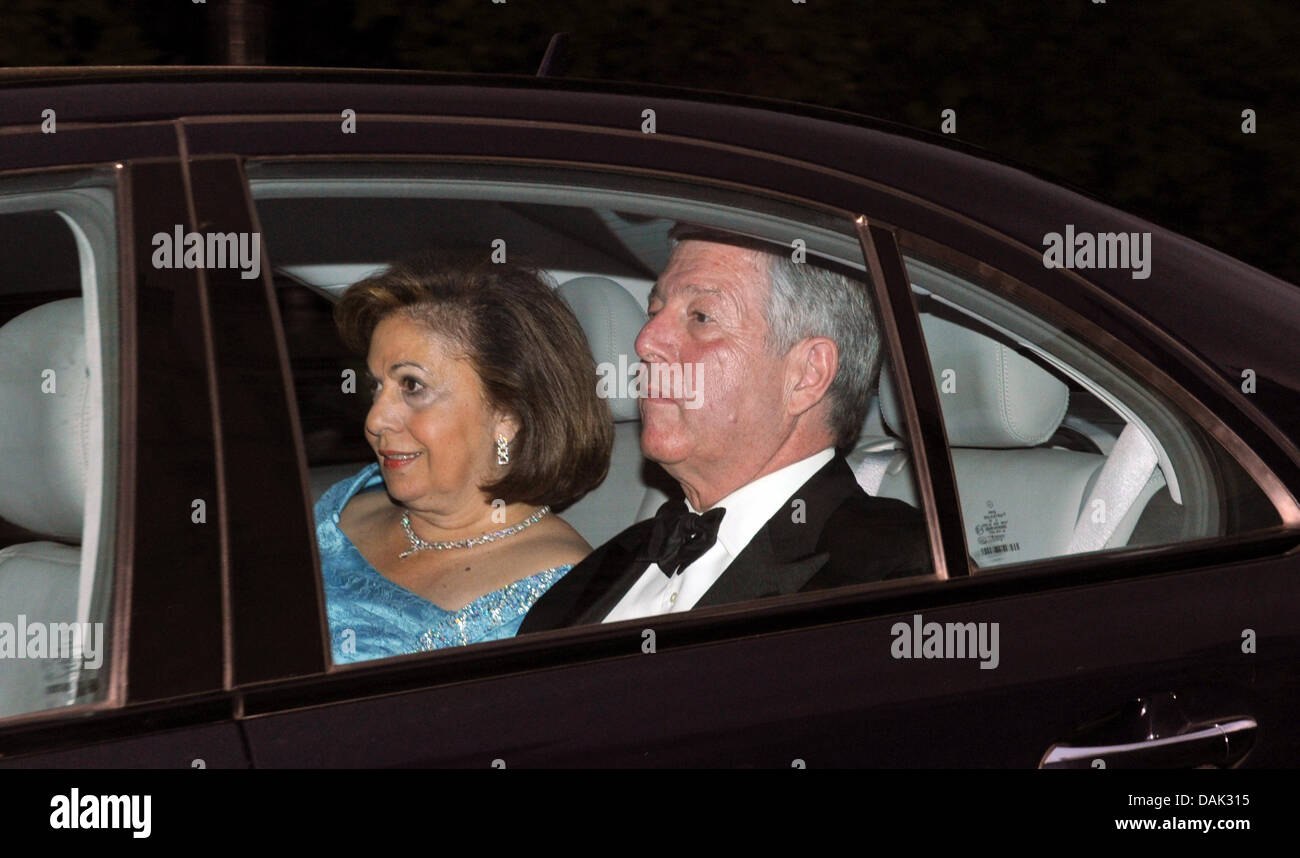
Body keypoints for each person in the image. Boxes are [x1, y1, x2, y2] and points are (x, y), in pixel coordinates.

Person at [519, 226, 930, 633]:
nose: (645, 340)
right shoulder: (599, 570)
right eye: (654, 311)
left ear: (807, 374)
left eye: (701, 317)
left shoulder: (900, 576)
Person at [316, 251, 613, 662]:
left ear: (507, 414)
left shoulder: (558, 595)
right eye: (376, 387)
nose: (375, 419)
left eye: (413, 386)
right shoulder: (345, 502)